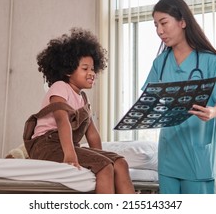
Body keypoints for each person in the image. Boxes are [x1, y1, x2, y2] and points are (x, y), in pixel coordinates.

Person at [23, 28, 135, 194]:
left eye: (92, 69)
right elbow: (62, 121)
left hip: (66, 145)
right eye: (85, 69)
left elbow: (92, 134)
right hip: (47, 146)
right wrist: (70, 155)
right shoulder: (60, 87)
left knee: (120, 163)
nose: (91, 73)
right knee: (105, 168)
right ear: (68, 70)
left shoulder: (83, 99)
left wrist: (100, 156)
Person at [142, 0, 216, 194]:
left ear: (182, 21)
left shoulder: (209, 61)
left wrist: (213, 111)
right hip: (169, 154)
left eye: (164, 23)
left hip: (197, 155)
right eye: (156, 25)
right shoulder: (161, 63)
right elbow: (148, 100)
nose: (159, 31)